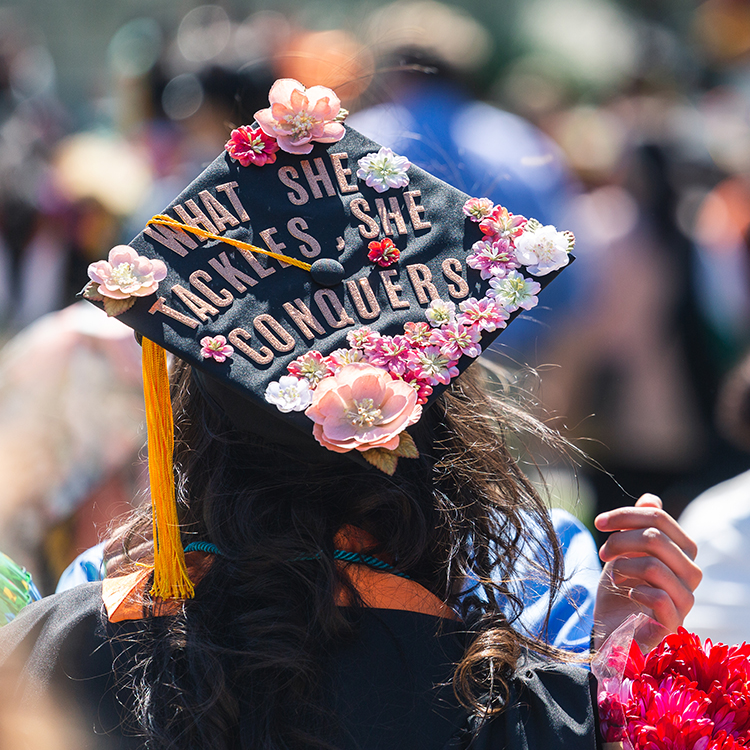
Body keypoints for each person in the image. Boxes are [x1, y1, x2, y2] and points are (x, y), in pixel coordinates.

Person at [0, 78, 700, 750]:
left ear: (190, 427)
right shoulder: (521, 709)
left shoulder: (43, 651)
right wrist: (614, 670)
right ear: (436, 438)